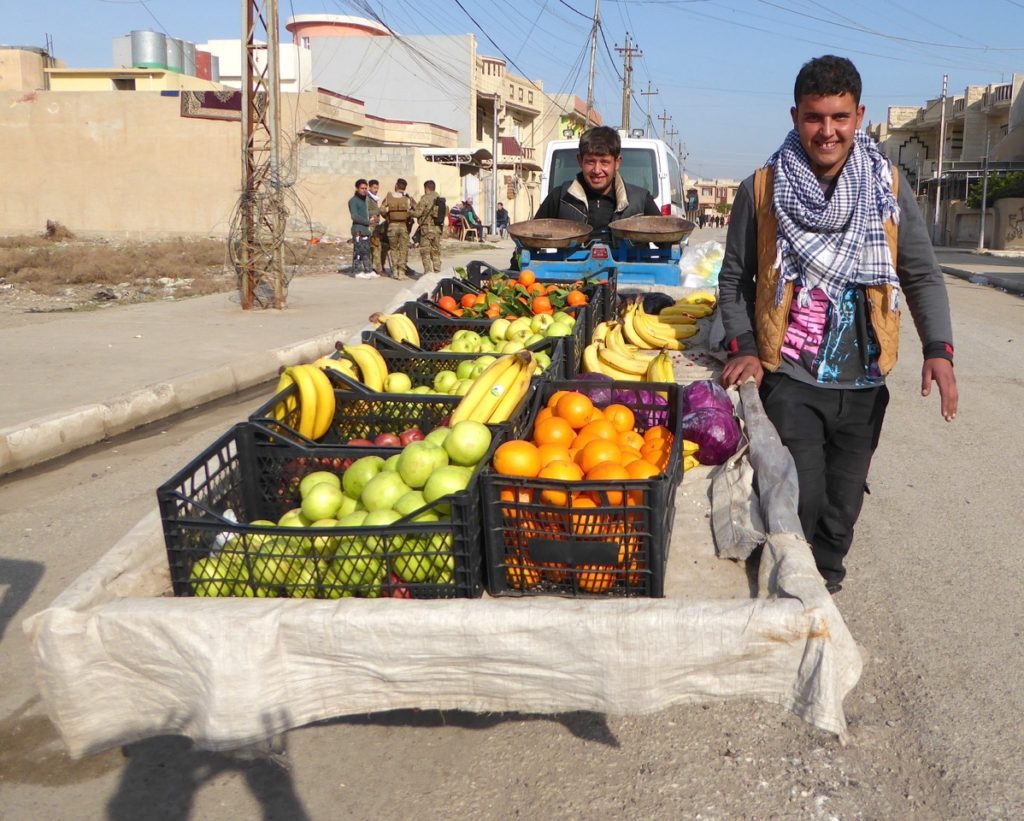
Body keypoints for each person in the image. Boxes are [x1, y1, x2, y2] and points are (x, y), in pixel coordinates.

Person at [717, 54, 958, 595]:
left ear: (860, 115)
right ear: (795, 115)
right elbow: (734, 279)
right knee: (797, 503)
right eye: (814, 117)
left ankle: (823, 597)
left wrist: (938, 350)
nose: (827, 131)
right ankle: (796, 608)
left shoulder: (886, 188)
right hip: (792, 380)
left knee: (840, 515)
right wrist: (746, 345)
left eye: (840, 117)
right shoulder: (762, 190)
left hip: (866, 385)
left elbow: (919, 273)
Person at [533, 125, 660, 244]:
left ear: (617, 163)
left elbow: (666, 241)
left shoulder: (641, 200)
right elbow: (531, 237)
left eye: (604, 162)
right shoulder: (560, 198)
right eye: (590, 162)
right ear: (580, 161)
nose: (597, 170)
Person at [379, 178, 418, 280]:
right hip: (403, 226)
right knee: (403, 249)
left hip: (392, 226)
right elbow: (417, 209)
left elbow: (382, 210)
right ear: (405, 187)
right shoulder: (408, 198)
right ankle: (402, 272)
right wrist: (408, 214)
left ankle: (395, 271)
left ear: (396, 186)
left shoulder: (389, 197)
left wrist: (387, 217)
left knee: (393, 249)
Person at [413, 180, 444, 274]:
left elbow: (417, 213)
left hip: (426, 229)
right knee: (436, 251)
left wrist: (410, 212)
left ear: (426, 188)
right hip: (438, 229)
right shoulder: (440, 199)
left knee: (425, 252)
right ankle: (438, 272)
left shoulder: (425, 198)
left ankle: (428, 273)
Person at [347, 178, 373, 277]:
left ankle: (368, 270)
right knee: (358, 252)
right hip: (358, 230)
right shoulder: (353, 201)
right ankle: (357, 271)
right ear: (357, 188)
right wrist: (367, 222)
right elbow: (354, 216)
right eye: (362, 188)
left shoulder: (365, 200)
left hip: (365, 230)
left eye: (366, 188)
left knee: (366, 251)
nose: (364, 190)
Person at [367, 179, 386, 277]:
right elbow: (365, 211)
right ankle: (378, 269)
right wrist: (375, 213)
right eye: (374, 188)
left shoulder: (373, 198)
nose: (376, 190)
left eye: (377, 188)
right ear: (369, 187)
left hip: (375, 226)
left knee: (375, 247)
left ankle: (374, 267)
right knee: (376, 247)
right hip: (371, 226)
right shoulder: (368, 198)